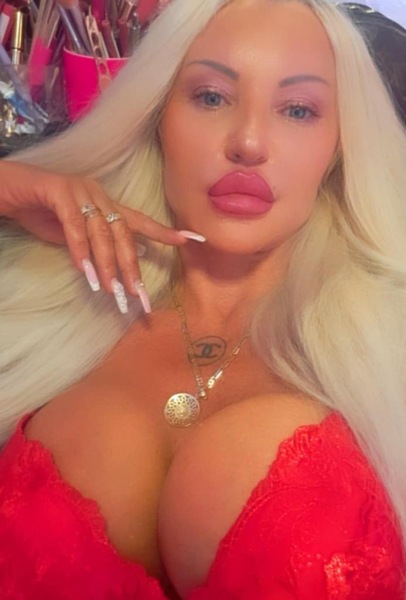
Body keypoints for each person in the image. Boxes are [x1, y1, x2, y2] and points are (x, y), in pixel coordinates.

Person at [0, 0, 405, 598]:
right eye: (212, 97)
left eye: (298, 109)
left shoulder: (391, 333)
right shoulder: (43, 293)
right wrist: (8, 188)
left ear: (340, 145)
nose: (248, 142)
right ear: (156, 117)